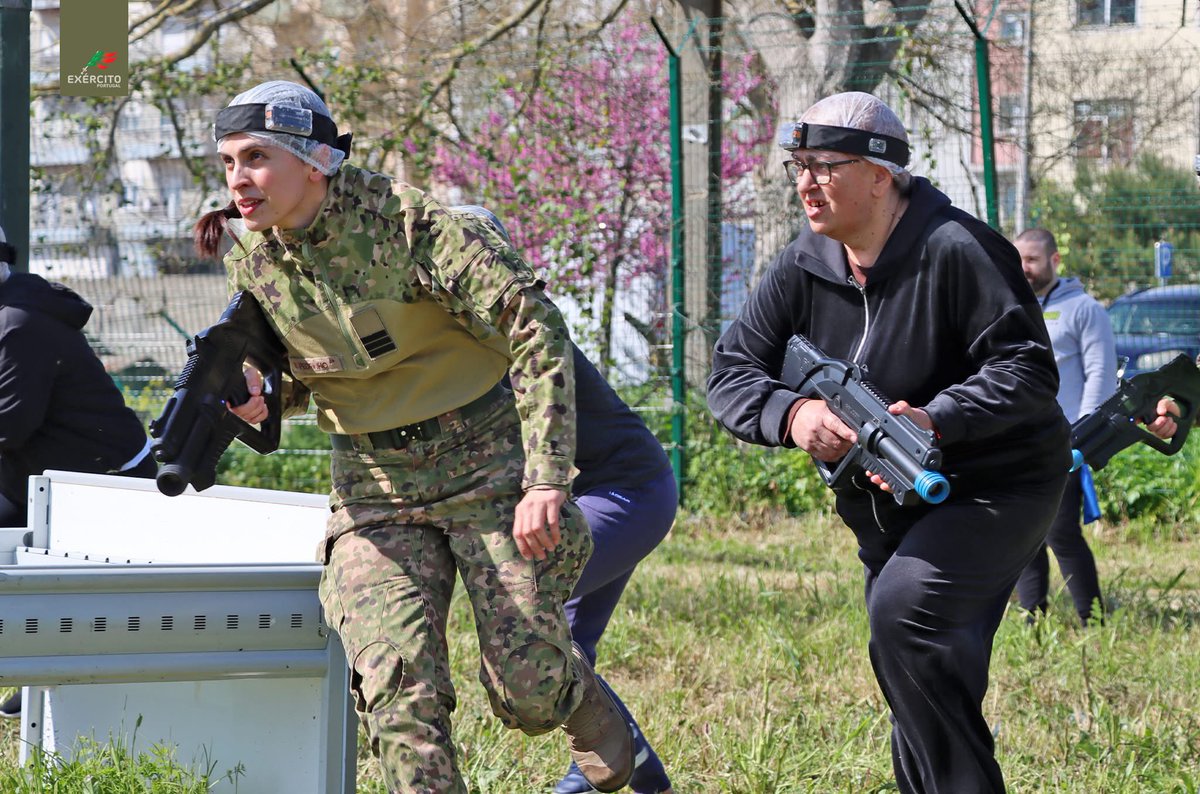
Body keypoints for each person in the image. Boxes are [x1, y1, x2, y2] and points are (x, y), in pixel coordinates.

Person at [706, 91, 1172, 794]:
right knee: (916, 663)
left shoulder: (958, 248)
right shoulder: (805, 263)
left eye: (824, 165)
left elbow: (1026, 370)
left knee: (905, 620)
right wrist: (794, 415)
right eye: (797, 165)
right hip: (886, 504)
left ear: (880, 173)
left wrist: (935, 418)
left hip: (998, 485)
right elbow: (731, 372)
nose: (805, 182)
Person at [193, 81, 633, 793]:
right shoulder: (257, 261)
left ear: (317, 163)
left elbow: (536, 323)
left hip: (485, 465)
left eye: (255, 158)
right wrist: (264, 398)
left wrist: (546, 477)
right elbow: (317, 372)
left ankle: (575, 696)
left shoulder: (410, 225)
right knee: (398, 694)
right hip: (374, 489)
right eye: (226, 161)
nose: (237, 179)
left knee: (527, 693)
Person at [453, 206, 677, 794]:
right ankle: (611, 777)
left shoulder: (519, 336)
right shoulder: (469, 337)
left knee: (528, 619)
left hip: (630, 491)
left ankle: (629, 765)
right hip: (597, 489)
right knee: (568, 641)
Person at [0, 223, 157, 718]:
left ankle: (37, 668)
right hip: (48, 478)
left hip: (105, 486)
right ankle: (32, 666)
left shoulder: (17, 324)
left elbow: (8, 426)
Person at [1013, 228, 1116, 625]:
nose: (1025, 269)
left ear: (1055, 261)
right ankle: (1032, 617)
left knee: (1060, 533)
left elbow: (1101, 374)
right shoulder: (1014, 307)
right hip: (1017, 441)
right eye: (1019, 259)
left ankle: (1092, 618)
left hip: (1064, 441)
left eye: (1033, 260)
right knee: (1024, 535)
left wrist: (1083, 437)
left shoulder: (1085, 310)